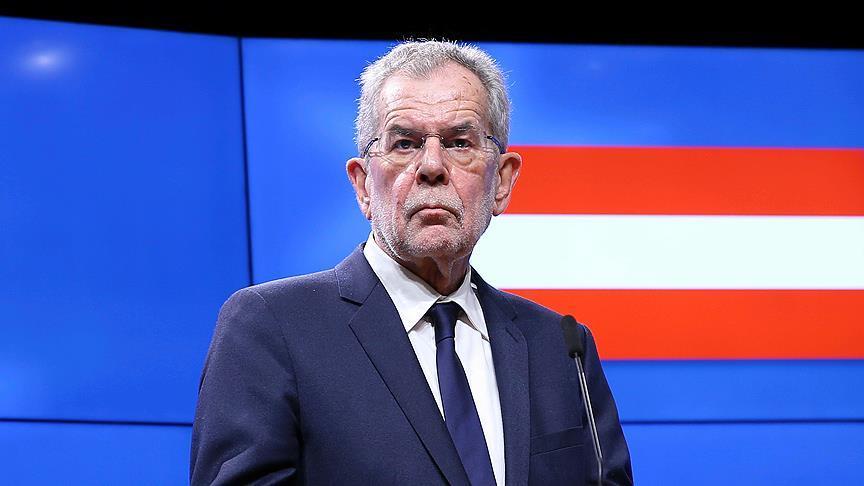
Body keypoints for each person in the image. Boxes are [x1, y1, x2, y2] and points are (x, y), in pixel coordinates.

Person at [190, 40, 633, 485]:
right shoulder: (272, 328)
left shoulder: (561, 347)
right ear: (363, 184)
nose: (432, 166)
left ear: (502, 182)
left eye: (460, 142)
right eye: (404, 143)